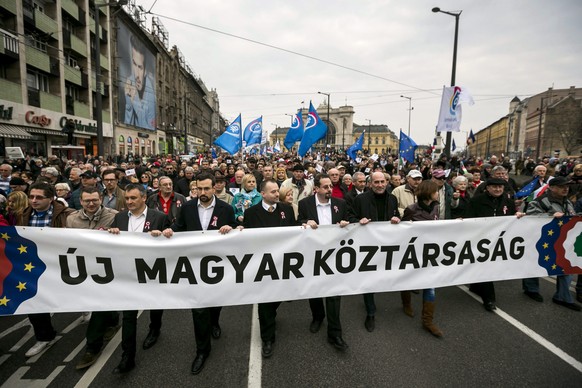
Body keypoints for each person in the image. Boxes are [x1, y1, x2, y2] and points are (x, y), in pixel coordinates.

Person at [161, 173, 237, 374]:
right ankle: (202, 351)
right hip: (194, 266)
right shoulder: (186, 207)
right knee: (199, 308)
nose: (202, 193)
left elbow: (238, 232)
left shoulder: (226, 209)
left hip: (218, 265)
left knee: (215, 302)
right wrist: (170, 232)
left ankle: (215, 321)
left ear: (214, 188)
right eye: (199, 189)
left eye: (206, 189)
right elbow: (179, 228)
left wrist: (232, 228)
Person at [108, 184, 170, 373]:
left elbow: (172, 241)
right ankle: (127, 357)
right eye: (127, 199)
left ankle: (154, 328)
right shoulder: (118, 217)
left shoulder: (159, 217)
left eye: (133, 198)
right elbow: (108, 243)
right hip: (128, 273)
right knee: (128, 315)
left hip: (152, 271)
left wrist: (163, 235)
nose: (129, 202)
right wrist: (111, 234)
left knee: (155, 305)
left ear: (144, 198)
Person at [18, 182, 74, 357]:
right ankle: (44, 336)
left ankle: (85, 308)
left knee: (73, 292)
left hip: (61, 263)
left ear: (51, 199)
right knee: (33, 300)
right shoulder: (22, 216)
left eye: (39, 197)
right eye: (31, 197)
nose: (34, 200)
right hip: (33, 265)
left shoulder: (67, 215)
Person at [243, 179, 297, 358]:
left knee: (280, 297)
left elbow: (295, 233)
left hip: (283, 263)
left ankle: (270, 315)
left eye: (277, 191)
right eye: (273, 191)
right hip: (262, 265)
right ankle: (267, 338)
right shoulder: (251, 213)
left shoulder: (287, 210)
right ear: (263, 194)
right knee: (265, 301)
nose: (277, 194)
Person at [67, 187, 120, 369]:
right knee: (102, 302)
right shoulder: (71, 219)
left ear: (101, 199)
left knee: (100, 303)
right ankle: (113, 320)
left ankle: (92, 347)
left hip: (107, 267)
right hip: (84, 267)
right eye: (87, 200)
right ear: (80, 201)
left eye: (95, 200)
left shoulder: (114, 216)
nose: (91, 204)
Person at [298, 174, 349, 351]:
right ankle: (318, 316)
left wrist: (346, 223)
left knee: (334, 294)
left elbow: (350, 221)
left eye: (330, 187)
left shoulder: (340, 204)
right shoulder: (305, 204)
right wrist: (305, 222)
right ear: (316, 189)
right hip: (313, 254)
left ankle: (335, 333)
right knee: (315, 288)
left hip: (335, 254)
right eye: (325, 187)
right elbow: (297, 224)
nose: (329, 190)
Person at [348, 172, 400, 332]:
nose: (379, 185)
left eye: (382, 181)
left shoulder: (392, 199)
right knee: (368, 279)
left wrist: (397, 219)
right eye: (376, 182)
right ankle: (370, 312)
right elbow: (350, 217)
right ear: (370, 184)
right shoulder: (360, 199)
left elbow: (396, 215)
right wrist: (358, 221)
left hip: (386, 245)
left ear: (387, 182)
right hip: (367, 246)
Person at [465, 178, 525, 311]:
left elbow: (510, 216)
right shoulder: (477, 200)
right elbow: (469, 218)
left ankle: (475, 286)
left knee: (487, 266)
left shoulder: (508, 201)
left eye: (500, 187)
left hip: (498, 240)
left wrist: (517, 215)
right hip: (481, 239)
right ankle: (489, 299)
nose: (498, 190)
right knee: (486, 267)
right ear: (487, 188)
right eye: (494, 187)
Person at [524, 176, 580, 310]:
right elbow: (530, 218)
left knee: (567, 266)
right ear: (552, 188)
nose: (566, 189)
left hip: (562, 241)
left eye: (567, 186)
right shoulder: (540, 202)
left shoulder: (568, 202)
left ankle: (562, 297)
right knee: (535, 264)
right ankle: (531, 290)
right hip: (541, 241)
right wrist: (549, 217)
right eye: (562, 186)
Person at [402, 180, 443, 337]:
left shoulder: (436, 207)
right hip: (413, 251)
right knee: (407, 278)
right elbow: (402, 230)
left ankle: (427, 321)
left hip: (430, 252)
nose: (438, 193)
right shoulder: (411, 209)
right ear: (429, 193)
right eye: (435, 190)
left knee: (430, 285)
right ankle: (406, 304)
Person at [123, 35, 155, 129]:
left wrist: (135, 102)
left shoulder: (151, 96)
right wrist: (129, 103)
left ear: (145, 71)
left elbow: (148, 129)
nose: (136, 74)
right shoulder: (130, 81)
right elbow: (127, 125)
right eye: (134, 63)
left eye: (140, 67)